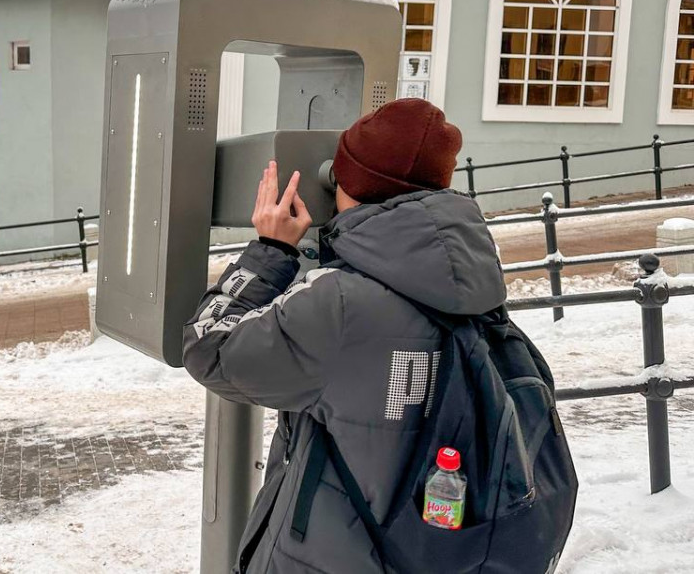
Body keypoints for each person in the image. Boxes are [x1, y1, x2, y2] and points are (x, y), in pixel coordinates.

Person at [183, 99, 505, 574]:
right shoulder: (473, 276)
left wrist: (270, 251)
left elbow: (208, 349)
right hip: (430, 550)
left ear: (347, 184)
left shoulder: (341, 304)